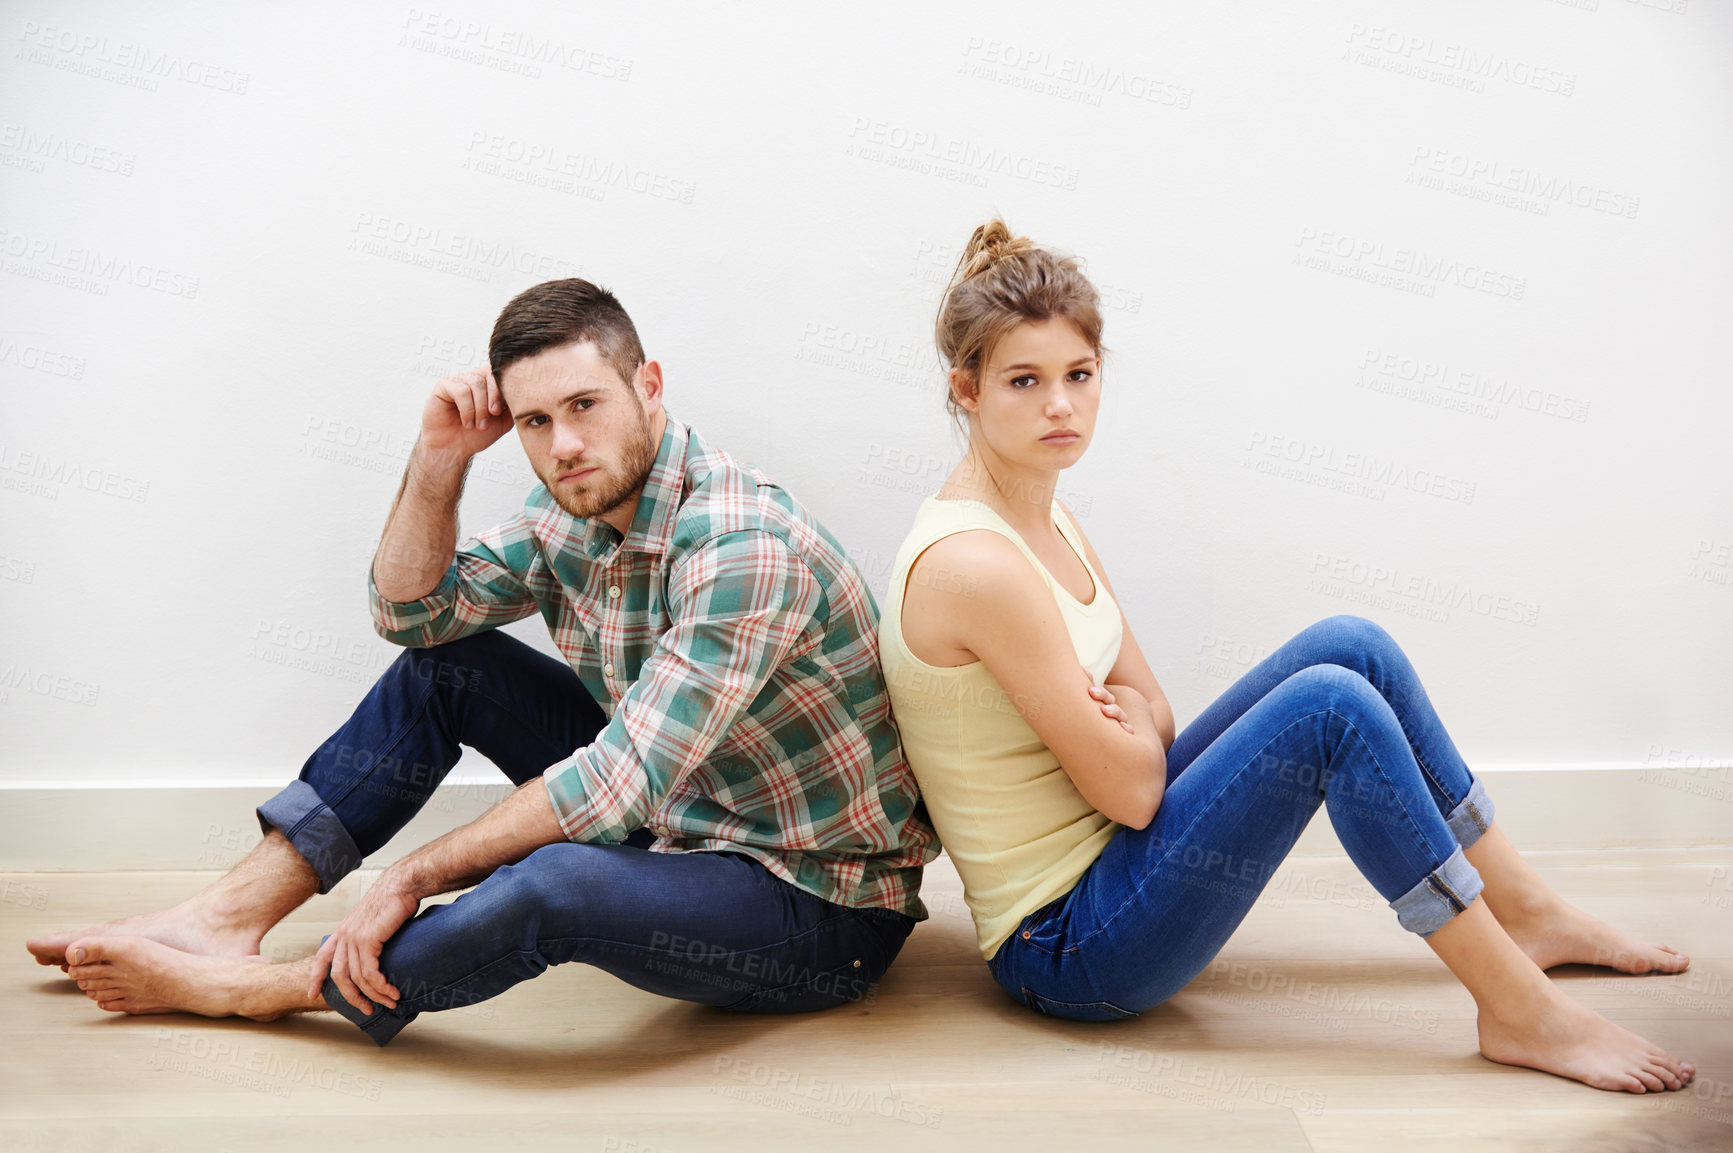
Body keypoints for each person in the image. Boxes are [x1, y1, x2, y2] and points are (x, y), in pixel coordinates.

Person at [878, 219, 1696, 1094]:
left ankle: (1524, 909)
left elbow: (1148, 707)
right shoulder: (976, 564)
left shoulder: (1044, 512)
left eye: (1079, 375)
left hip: (1115, 853)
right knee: (1330, 713)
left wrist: (1126, 728)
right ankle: (1514, 1005)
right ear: (965, 389)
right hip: (1071, 944)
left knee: (1352, 646)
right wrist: (1126, 734)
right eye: (1024, 381)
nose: (1060, 407)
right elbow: (1131, 786)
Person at [28, 278, 936, 1044]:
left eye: (585, 405)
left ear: (649, 386)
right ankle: (225, 919)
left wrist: (410, 875)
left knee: (556, 879)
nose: (564, 444)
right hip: (683, 817)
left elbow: (613, 787)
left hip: (817, 901)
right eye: (536, 420)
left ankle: (281, 986)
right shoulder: (570, 519)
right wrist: (439, 461)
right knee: (445, 668)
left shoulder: (741, 545)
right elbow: (408, 613)